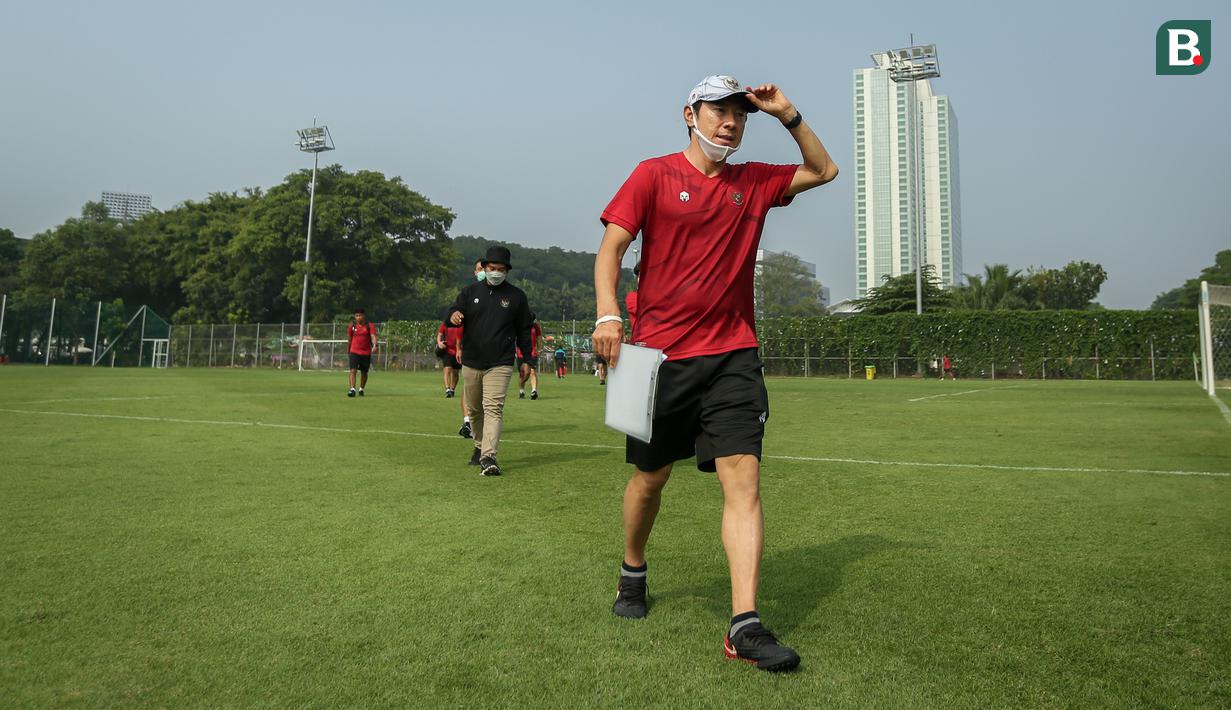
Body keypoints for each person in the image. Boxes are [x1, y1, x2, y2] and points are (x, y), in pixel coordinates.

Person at [591, 75, 838, 672]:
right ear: (690, 113)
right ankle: (633, 568)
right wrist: (608, 314)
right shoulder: (652, 174)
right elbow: (611, 250)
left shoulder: (753, 182)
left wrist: (787, 113)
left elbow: (823, 170)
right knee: (651, 480)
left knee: (743, 480)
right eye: (718, 111)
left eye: (738, 114)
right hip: (656, 360)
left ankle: (744, 625)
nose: (730, 122)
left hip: (732, 356)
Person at [447, 245, 532, 477]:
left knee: (493, 408)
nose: (496, 272)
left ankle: (489, 457)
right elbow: (452, 312)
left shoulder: (516, 297)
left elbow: (524, 330)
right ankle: (478, 445)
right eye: (492, 268)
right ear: (484, 268)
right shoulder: (469, 292)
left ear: (507, 271)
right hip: (472, 360)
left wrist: (527, 359)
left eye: (501, 269)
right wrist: (453, 315)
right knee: (474, 410)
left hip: (501, 362)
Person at [347, 308, 378, 397]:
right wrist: (348, 349)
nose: (358, 317)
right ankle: (352, 389)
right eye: (356, 315)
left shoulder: (369, 326)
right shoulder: (352, 326)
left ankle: (361, 389)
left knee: (364, 372)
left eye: (360, 315)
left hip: (366, 353)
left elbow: (373, 336)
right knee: (353, 370)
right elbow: (349, 339)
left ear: (363, 316)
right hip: (354, 352)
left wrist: (374, 345)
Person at [437, 314, 463, 398]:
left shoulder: (461, 324)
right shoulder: (445, 324)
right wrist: (439, 343)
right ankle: (447, 389)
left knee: (455, 372)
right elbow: (439, 335)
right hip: (447, 350)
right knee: (447, 369)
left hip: (458, 351)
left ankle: (452, 390)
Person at [517, 312, 542, 400]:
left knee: (532, 372)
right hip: (521, 352)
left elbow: (539, 338)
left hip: (532, 353)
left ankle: (534, 391)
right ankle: (521, 390)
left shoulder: (535, 327)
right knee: (524, 374)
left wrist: (539, 349)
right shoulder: (519, 325)